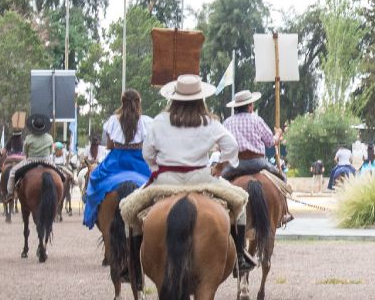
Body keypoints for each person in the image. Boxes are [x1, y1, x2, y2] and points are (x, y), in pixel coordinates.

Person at [144, 74, 255, 274]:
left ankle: (134, 266)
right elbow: (232, 146)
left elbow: (147, 153)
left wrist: (156, 167)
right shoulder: (209, 121)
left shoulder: (160, 121)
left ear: (174, 98)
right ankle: (239, 257)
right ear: (200, 98)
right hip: (202, 179)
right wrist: (220, 167)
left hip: (166, 180)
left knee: (129, 211)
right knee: (241, 203)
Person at [83, 89, 154, 230]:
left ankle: (92, 213)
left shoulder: (113, 120)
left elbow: (109, 145)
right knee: (156, 185)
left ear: (123, 102)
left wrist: (121, 143)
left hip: (116, 160)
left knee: (94, 178)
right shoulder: (146, 121)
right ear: (139, 102)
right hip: (139, 161)